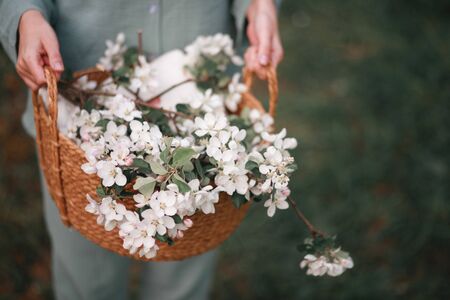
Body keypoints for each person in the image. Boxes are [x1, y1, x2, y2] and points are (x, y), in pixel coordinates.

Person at [0, 0, 283, 299]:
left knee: (184, 275)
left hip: (201, 81)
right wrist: (26, 14)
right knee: (87, 279)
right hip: (80, 74)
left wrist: (259, 5)